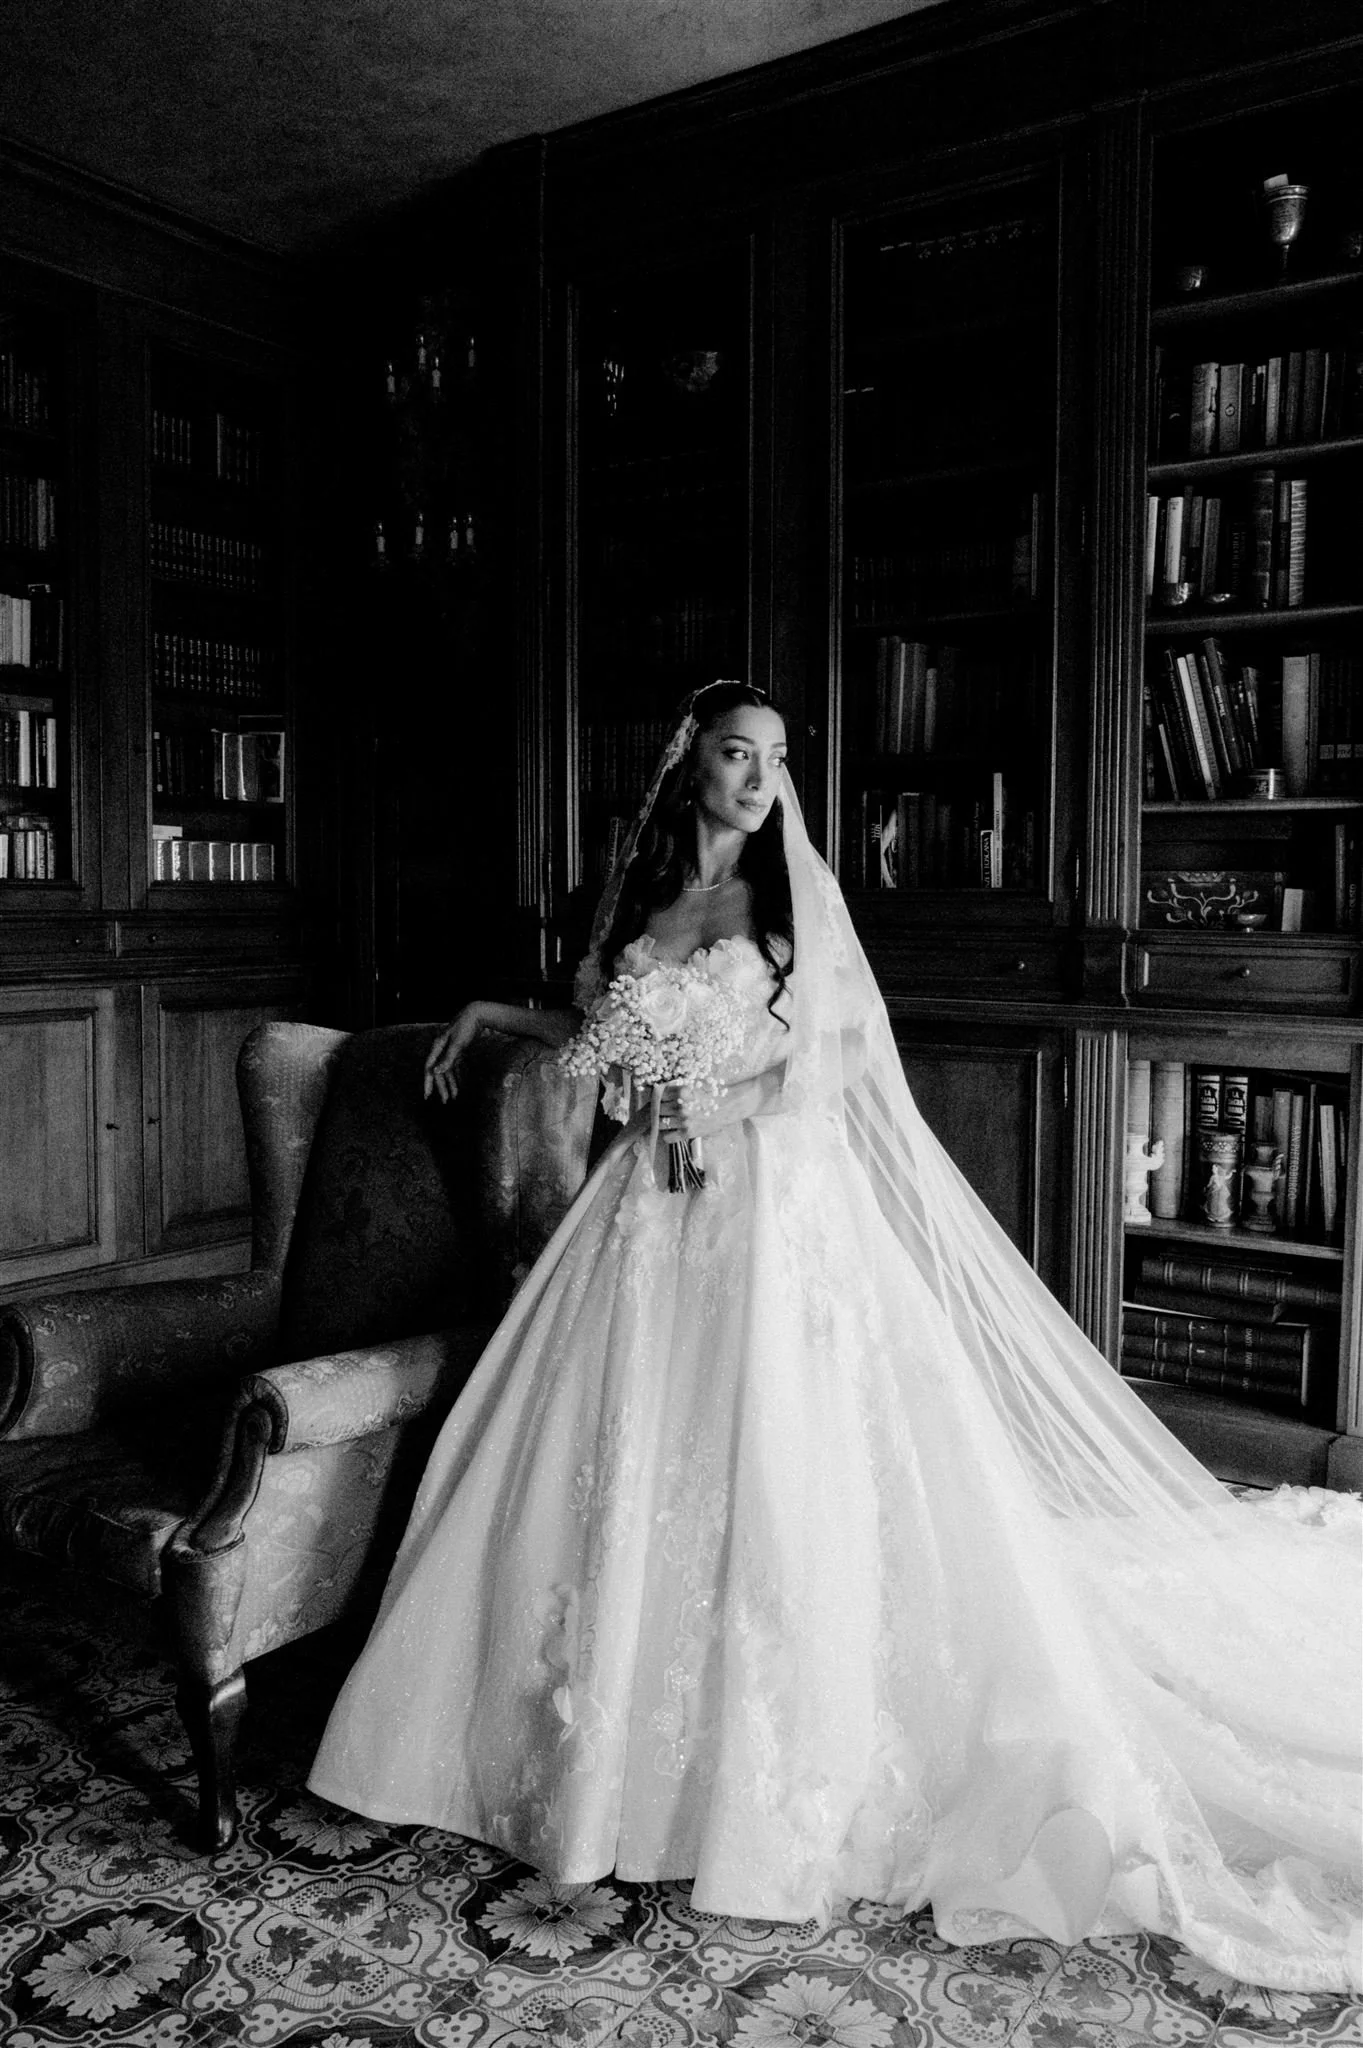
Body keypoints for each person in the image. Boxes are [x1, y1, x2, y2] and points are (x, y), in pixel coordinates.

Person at [310, 681, 1362, 1994]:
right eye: (736, 756)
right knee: (614, 1465)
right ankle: (585, 1768)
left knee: (773, 1462)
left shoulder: (786, 902)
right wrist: (500, 1018)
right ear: (685, 763)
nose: (759, 781)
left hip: (770, 1212)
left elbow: (842, 1054)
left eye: (776, 762)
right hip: (647, 1220)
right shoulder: (635, 902)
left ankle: (753, 1777)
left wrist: (706, 1095)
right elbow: (610, 1034)